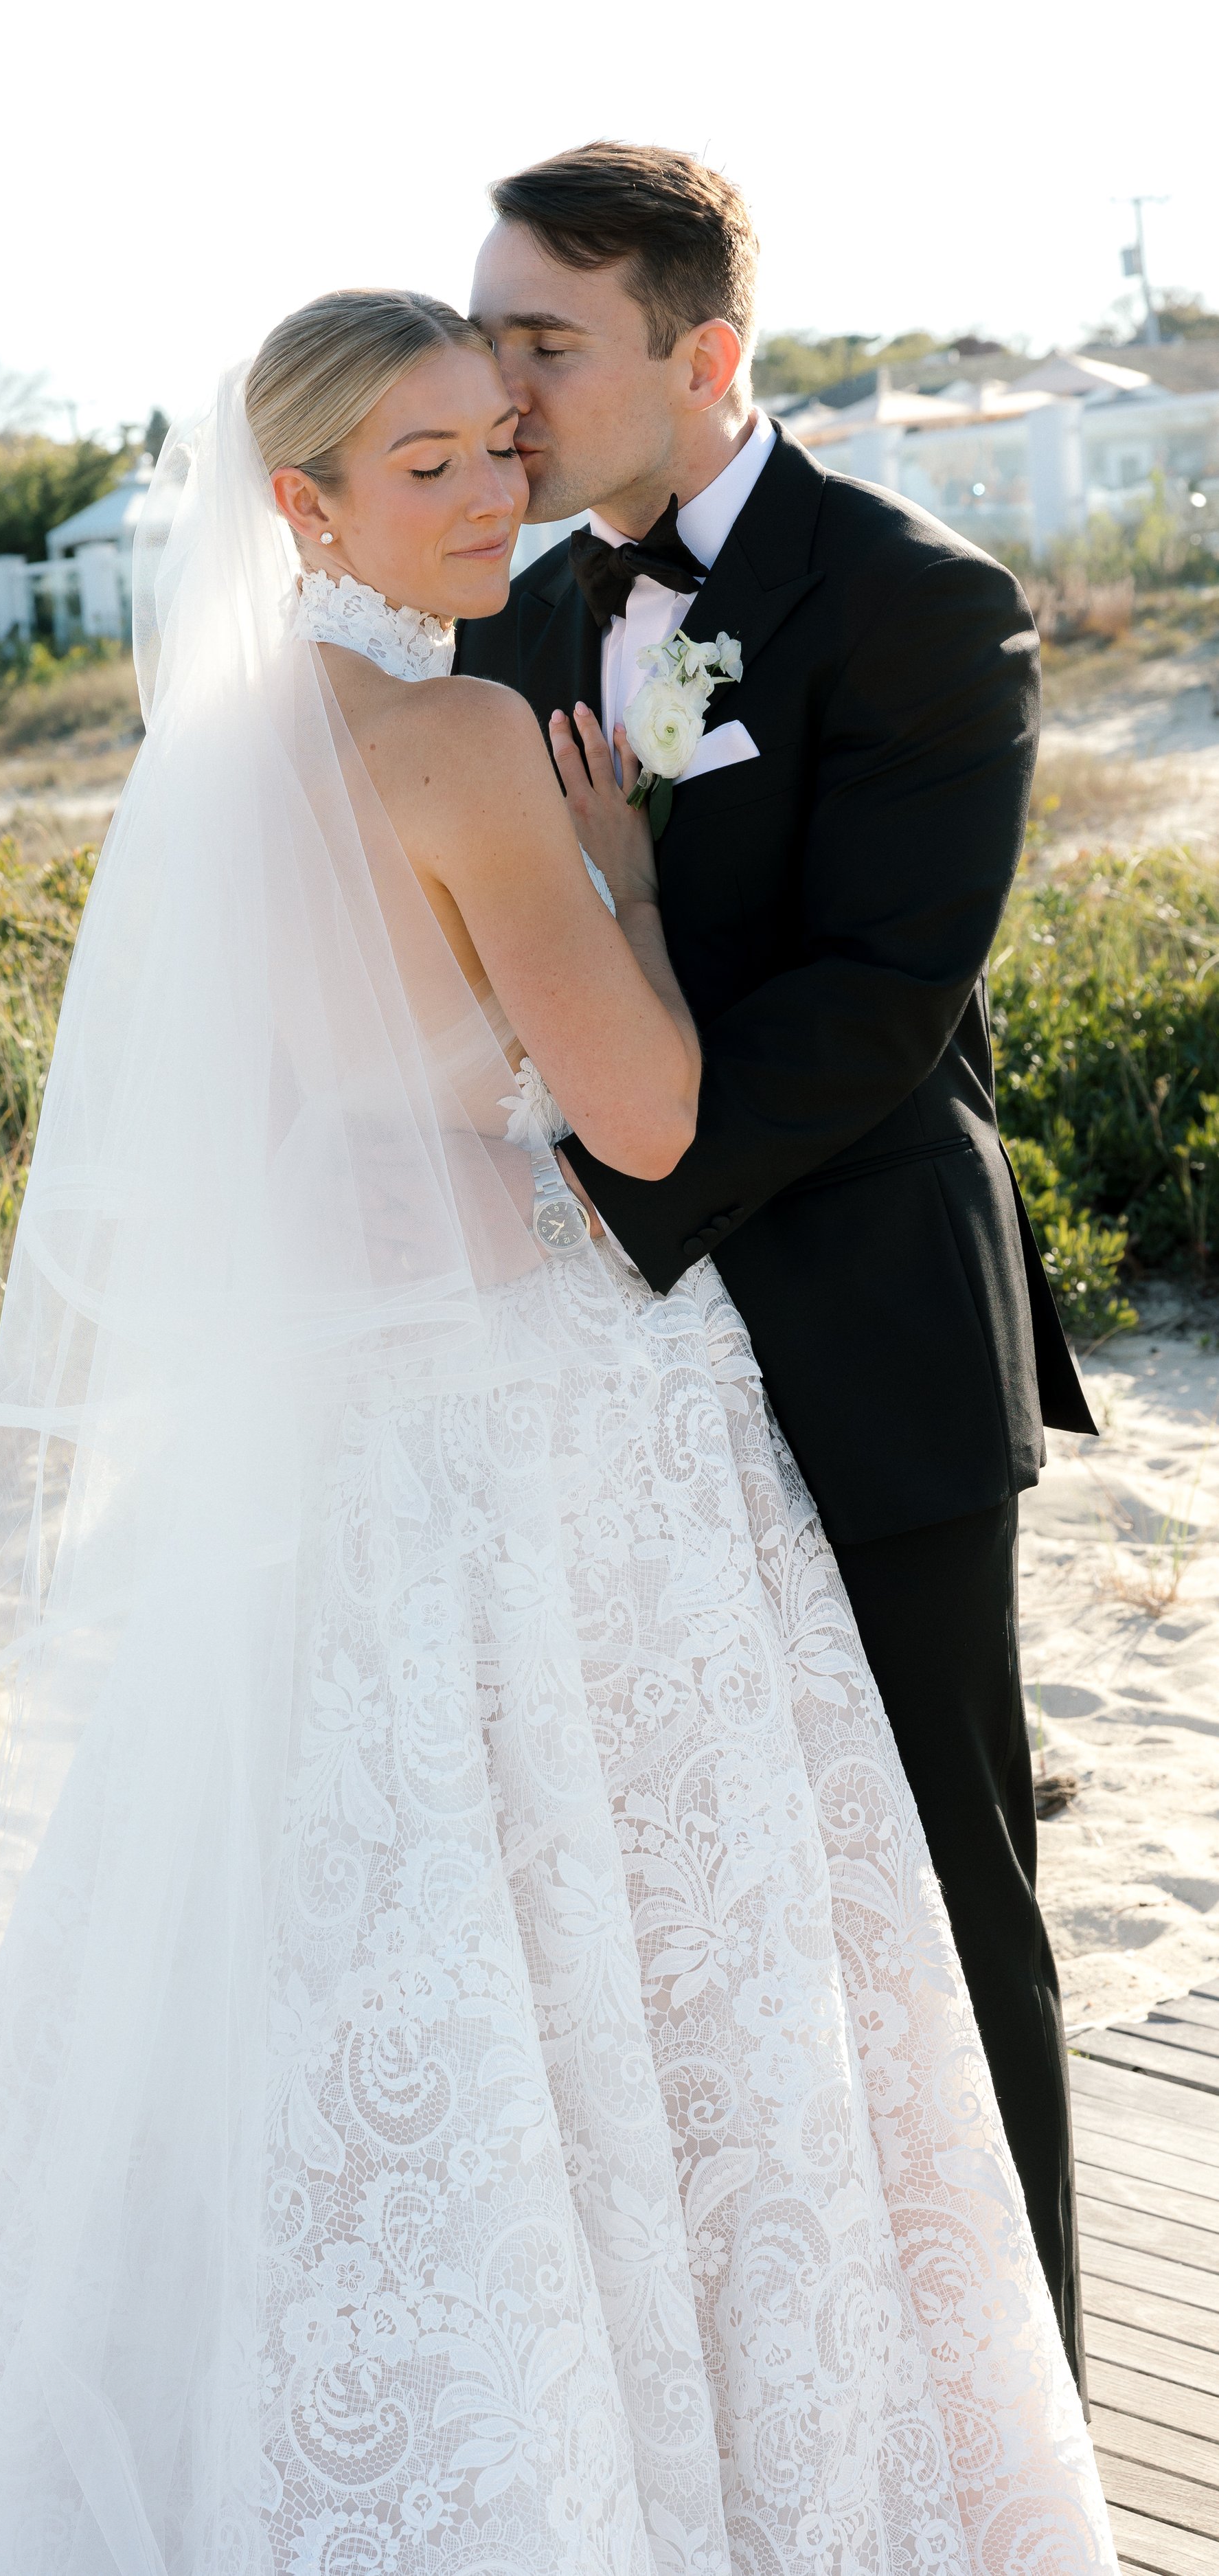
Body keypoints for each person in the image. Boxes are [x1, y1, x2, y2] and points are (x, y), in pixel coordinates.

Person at [0, 292, 1115, 2576]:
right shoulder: (454, 747)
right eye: (423, 463)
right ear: (305, 504)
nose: (486, 494)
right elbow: (644, 1118)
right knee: (637, 1943)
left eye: (493, 446)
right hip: (553, 1417)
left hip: (350, 1439)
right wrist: (631, 887)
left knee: (376, 1929)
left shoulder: (219, 761)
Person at [456, 140, 1097, 2395]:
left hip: (862, 1328)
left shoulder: (924, 599)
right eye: (488, 327)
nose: (500, 383)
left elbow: (878, 1001)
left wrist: (611, 1200)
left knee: (944, 1882)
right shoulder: (515, 619)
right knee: (708, 1894)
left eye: (546, 338)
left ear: (700, 355)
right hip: (613, 1378)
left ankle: (1035, 2435)